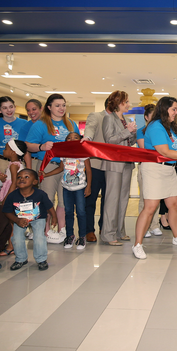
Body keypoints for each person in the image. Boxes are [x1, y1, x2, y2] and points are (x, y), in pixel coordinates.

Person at [132, 96, 177, 260]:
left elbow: (175, 146)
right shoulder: (155, 126)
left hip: (169, 170)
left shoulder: (171, 126)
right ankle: (137, 245)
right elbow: (164, 151)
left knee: (174, 205)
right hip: (154, 170)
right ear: (164, 109)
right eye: (174, 109)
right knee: (150, 207)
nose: (176, 112)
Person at [25, 93, 80, 242]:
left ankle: (62, 229)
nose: (61, 108)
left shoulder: (71, 124)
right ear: (49, 107)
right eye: (57, 105)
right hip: (47, 166)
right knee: (47, 199)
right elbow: (28, 145)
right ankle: (46, 231)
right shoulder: (41, 124)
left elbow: (77, 144)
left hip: (67, 167)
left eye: (63, 105)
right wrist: (41, 146)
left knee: (64, 201)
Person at [101, 91, 137, 245]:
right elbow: (109, 140)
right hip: (114, 163)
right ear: (118, 102)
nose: (129, 104)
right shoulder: (108, 118)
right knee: (112, 199)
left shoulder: (126, 119)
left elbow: (130, 141)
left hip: (127, 162)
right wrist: (127, 131)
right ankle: (108, 234)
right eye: (126, 101)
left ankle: (119, 231)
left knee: (123, 198)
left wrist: (133, 133)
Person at [4, 168, 57, 271]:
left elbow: (49, 206)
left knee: (39, 237)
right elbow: (6, 211)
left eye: (26, 177)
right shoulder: (12, 196)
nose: (21, 179)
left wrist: (54, 217)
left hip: (38, 218)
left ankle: (41, 259)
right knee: (17, 238)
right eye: (19, 177)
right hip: (19, 219)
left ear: (35, 182)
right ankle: (21, 259)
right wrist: (16, 220)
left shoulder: (40, 194)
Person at [81, 98, 111, 243]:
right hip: (95, 166)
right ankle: (89, 230)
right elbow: (90, 128)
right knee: (91, 200)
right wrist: (87, 138)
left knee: (108, 200)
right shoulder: (96, 116)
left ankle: (103, 227)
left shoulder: (120, 121)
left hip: (112, 167)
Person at [0, 96, 31, 180]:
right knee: (1, 191)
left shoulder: (25, 123)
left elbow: (27, 147)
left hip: (20, 162)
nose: (9, 110)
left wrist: (28, 168)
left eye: (11, 107)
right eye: (5, 108)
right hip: (1, 162)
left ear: (15, 107)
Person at [137, 104, 164, 238]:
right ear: (146, 117)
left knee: (156, 198)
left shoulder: (160, 130)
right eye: (151, 116)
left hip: (158, 167)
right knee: (145, 197)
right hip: (146, 167)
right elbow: (145, 150)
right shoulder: (141, 130)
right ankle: (145, 227)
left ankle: (154, 225)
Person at [61, 132, 92, 250]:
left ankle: (82, 236)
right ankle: (70, 235)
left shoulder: (83, 154)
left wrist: (88, 186)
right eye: (69, 138)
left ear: (80, 140)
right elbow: (60, 168)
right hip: (66, 188)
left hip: (80, 188)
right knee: (68, 212)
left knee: (81, 212)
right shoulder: (63, 154)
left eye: (75, 138)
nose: (72, 139)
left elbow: (88, 171)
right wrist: (46, 174)